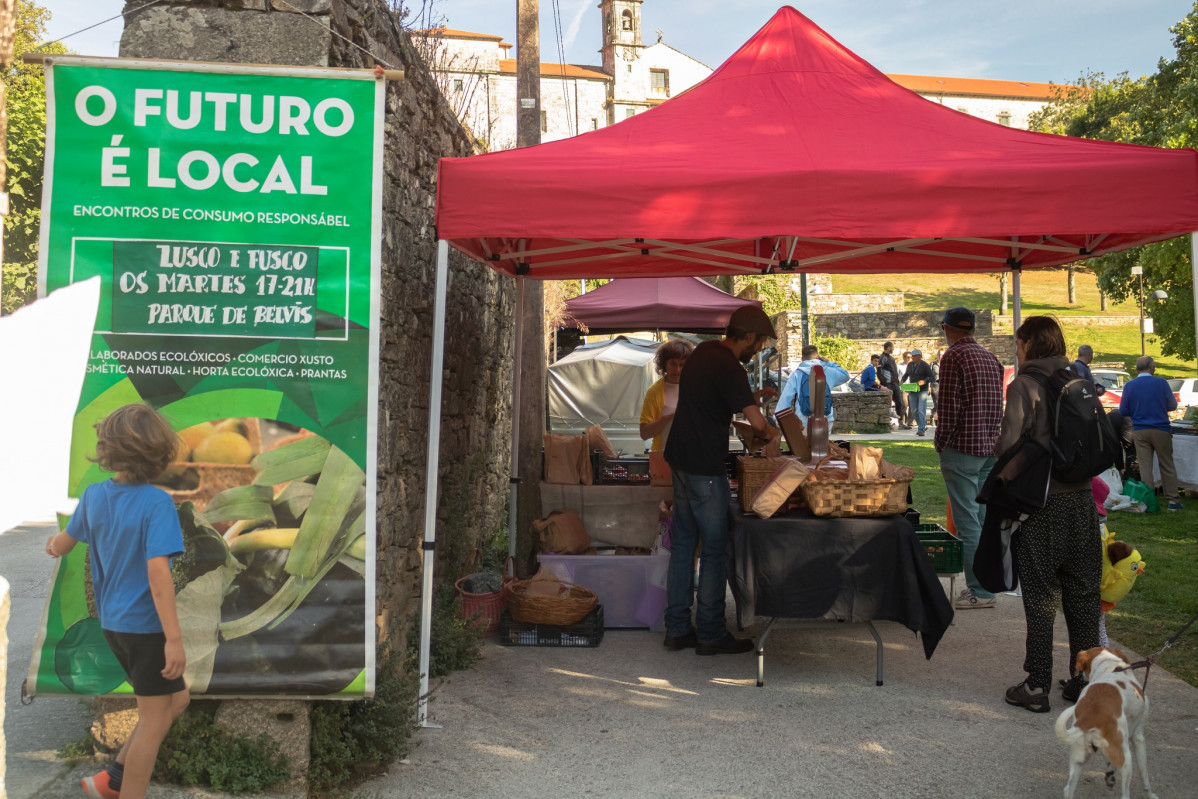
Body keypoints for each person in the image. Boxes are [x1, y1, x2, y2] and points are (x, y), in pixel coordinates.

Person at [45, 404, 190, 799]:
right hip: (146, 628)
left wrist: (53, 546)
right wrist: (174, 640)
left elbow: (62, 543)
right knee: (154, 721)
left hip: (114, 625)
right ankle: (124, 792)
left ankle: (110, 782)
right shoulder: (157, 503)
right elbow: (158, 575)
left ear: (108, 450)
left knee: (177, 700)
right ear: (160, 453)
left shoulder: (94, 496)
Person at [997, 316, 1101, 713]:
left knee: (1041, 598)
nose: (1016, 348)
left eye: (1018, 342)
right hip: (1082, 502)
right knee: (1083, 594)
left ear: (1026, 343)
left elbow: (1008, 445)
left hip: (1042, 503)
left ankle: (1037, 683)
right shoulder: (1080, 378)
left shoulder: (1024, 384)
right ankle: (1084, 680)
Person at [663, 305, 780, 655]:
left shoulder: (704, 351)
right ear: (746, 336)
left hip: (680, 459)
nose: (758, 349)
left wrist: (751, 400)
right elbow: (758, 426)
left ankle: (677, 628)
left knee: (683, 545)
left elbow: (714, 399)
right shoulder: (731, 366)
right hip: (703, 466)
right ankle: (711, 632)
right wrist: (771, 430)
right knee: (714, 549)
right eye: (758, 343)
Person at [934, 307, 1005, 611]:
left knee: (967, 521)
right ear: (973, 330)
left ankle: (980, 589)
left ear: (947, 328)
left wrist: (941, 441)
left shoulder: (953, 357)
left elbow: (948, 406)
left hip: (962, 446)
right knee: (982, 519)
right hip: (989, 446)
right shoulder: (992, 358)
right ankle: (989, 582)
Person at [1119, 355, 1182, 511]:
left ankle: (1148, 499)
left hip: (1140, 430)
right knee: (1166, 464)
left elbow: (1123, 410)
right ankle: (1173, 500)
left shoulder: (1129, 385)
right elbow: (1173, 405)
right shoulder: (1161, 383)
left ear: (1136, 369)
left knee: (1145, 466)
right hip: (1161, 428)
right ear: (1151, 367)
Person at [775, 344, 851, 432]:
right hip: (825, 418)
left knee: (804, 445)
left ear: (802, 359)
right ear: (817, 357)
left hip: (803, 419)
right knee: (823, 445)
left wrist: (778, 419)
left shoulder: (797, 374)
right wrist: (829, 363)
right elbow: (845, 375)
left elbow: (786, 397)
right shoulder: (828, 371)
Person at [640, 338, 695, 452]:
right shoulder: (654, 391)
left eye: (682, 364)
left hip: (693, 458)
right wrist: (667, 418)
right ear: (664, 364)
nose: (677, 369)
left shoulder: (698, 389)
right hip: (662, 458)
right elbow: (644, 433)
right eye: (673, 363)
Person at [900, 348, 934, 436]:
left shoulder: (925, 365)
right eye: (912, 356)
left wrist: (924, 381)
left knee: (921, 410)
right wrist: (902, 380)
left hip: (922, 390)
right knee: (914, 410)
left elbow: (931, 377)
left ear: (920, 356)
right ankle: (922, 424)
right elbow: (906, 374)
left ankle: (921, 429)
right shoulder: (910, 365)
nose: (913, 358)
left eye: (915, 356)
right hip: (913, 389)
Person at [878, 341, 903, 426]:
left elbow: (894, 371)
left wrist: (897, 381)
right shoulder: (882, 358)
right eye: (893, 347)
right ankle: (887, 423)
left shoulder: (891, 358)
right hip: (888, 385)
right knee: (888, 404)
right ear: (889, 348)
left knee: (899, 403)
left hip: (895, 384)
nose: (893, 349)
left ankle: (901, 423)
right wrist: (884, 382)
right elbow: (879, 371)